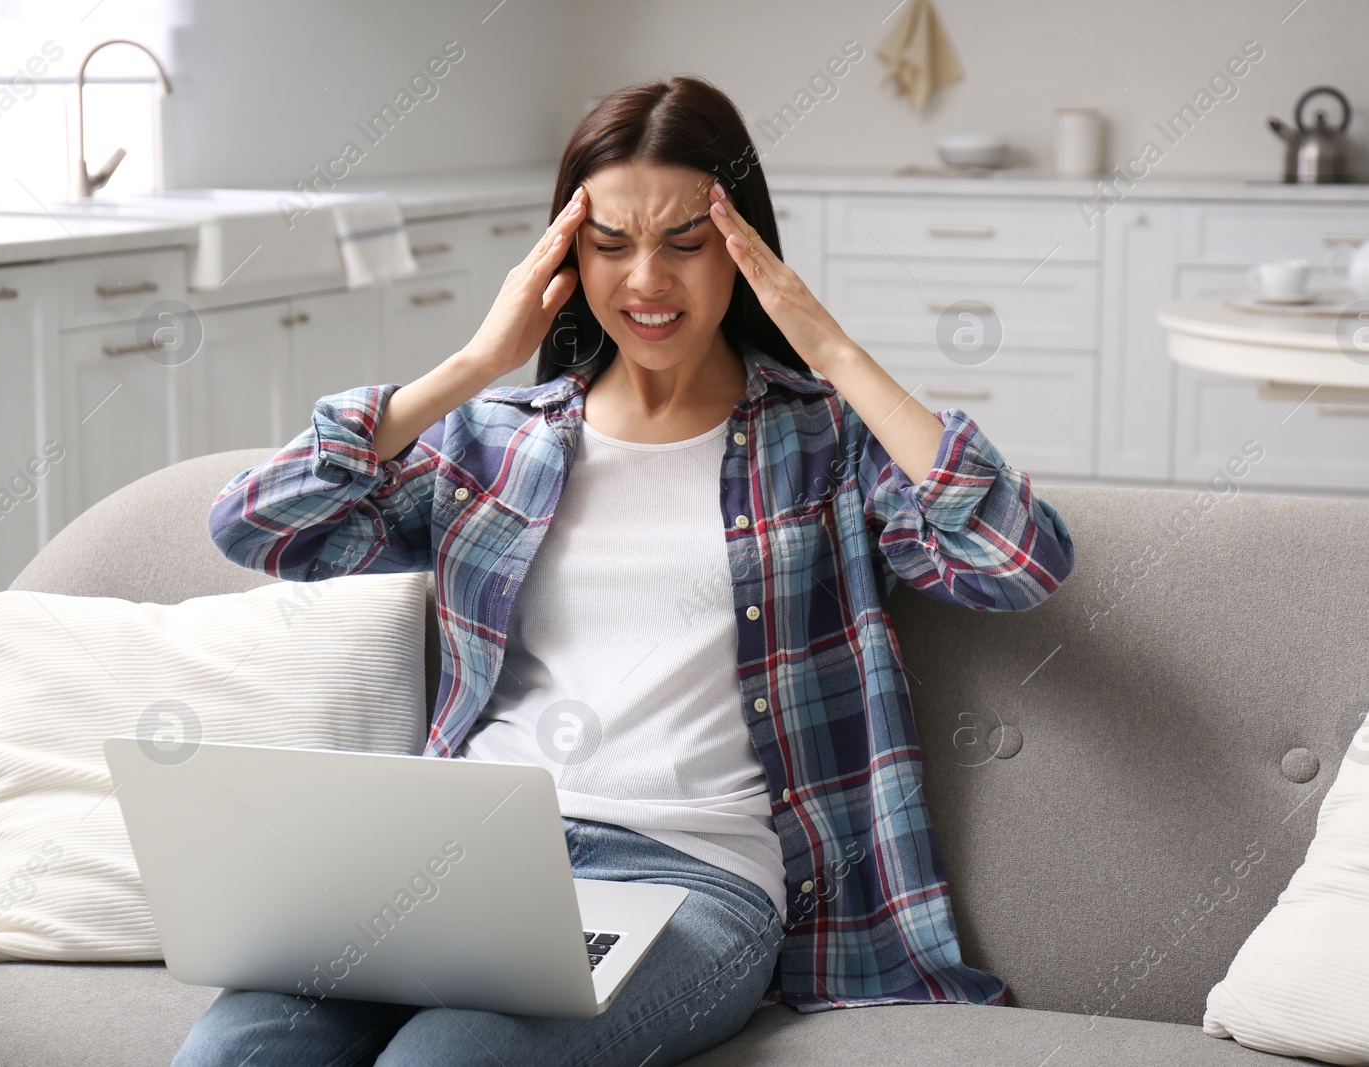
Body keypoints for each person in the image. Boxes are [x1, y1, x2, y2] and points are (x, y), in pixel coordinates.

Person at [188, 74, 1075, 1067]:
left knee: (444, 1059)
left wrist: (825, 342)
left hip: (692, 880)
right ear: (567, 253)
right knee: (238, 1051)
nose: (646, 280)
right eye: (610, 243)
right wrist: (478, 362)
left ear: (744, 248)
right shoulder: (493, 442)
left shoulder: (822, 442)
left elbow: (1018, 554)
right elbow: (255, 523)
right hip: (463, 859)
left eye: (685, 242)